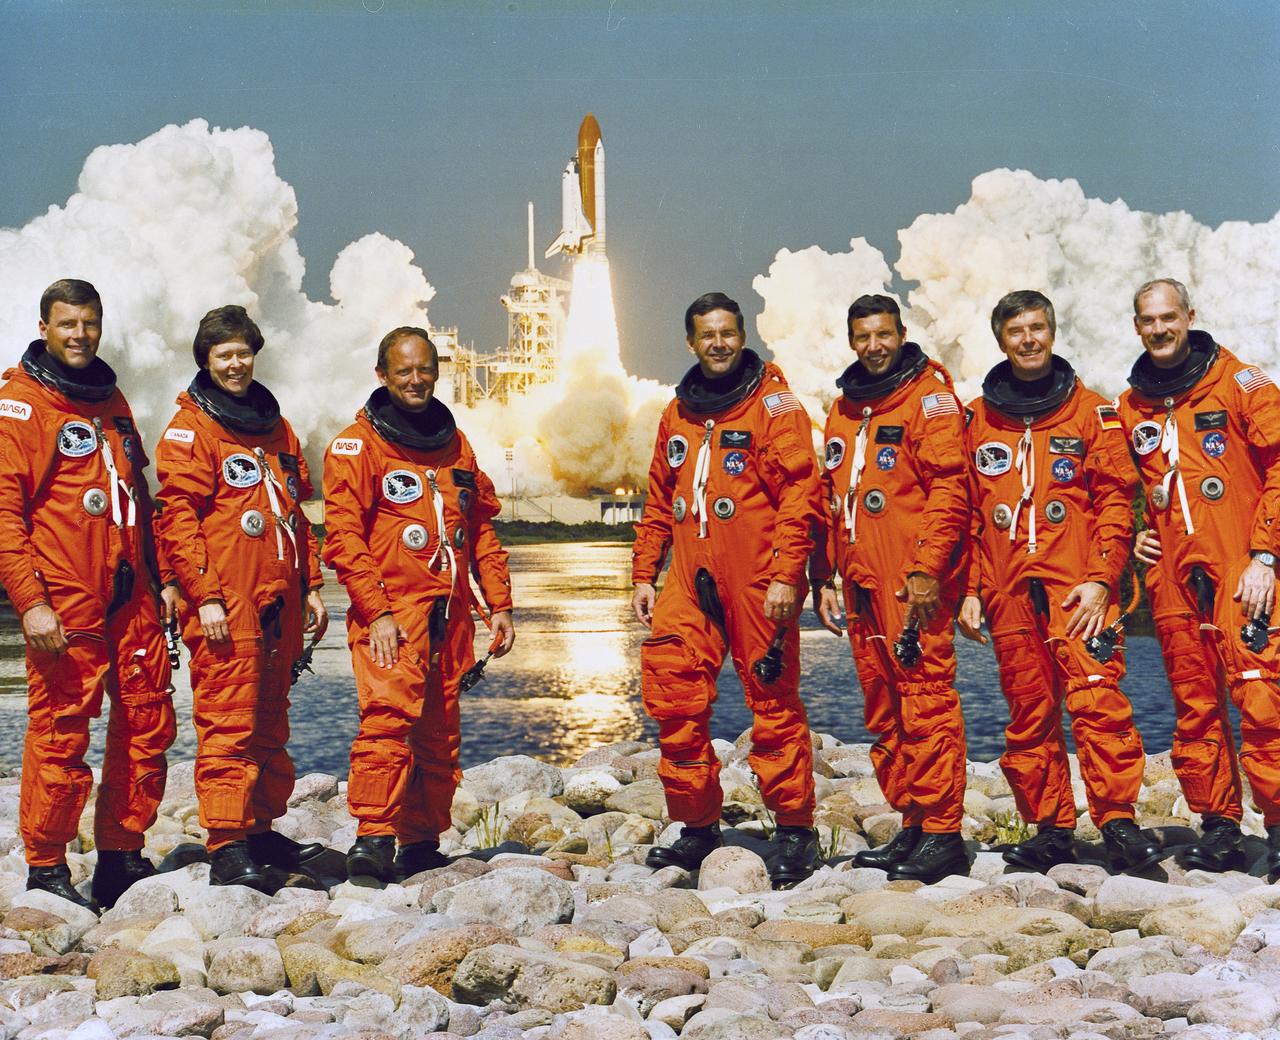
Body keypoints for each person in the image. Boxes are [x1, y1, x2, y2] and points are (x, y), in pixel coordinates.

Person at [958, 290, 1159, 874]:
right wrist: (969, 589)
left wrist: (1102, 579)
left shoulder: (1092, 412)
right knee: (1029, 709)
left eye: (1037, 328)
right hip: (1006, 587)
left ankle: (1117, 823)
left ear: (1052, 331)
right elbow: (967, 514)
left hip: (1078, 587)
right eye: (1016, 331)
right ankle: (1051, 828)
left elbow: (1116, 502)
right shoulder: (977, 419)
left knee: (1098, 700)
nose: (1028, 340)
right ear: (1001, 340)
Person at [632, 291, 823, 889]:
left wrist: (788, 574)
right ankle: (697, 826)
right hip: (689, 575)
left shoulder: (773, 406)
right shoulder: (678, 413)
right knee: (674, 694)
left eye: (728, 333)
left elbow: (800, 494)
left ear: (742, 336)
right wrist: (644, 572)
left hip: (758, 576)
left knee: (772, 700)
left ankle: (795, 829)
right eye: (707, 335)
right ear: (691, 342)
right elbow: (659, 497)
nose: (718, 344)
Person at [0, 279, 176, 910]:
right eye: (68, 324)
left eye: (90, 323)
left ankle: (121, 854)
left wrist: (163, 579)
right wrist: (31, 601)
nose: (80, 335)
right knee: (61, 727)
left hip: (131, 592)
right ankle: (46, 866)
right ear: (44, 328)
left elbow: (138, 498)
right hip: (64, 593)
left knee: (147, 716)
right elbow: (5, 514)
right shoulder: (21, 405)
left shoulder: (110, 398)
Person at [323, 327, 514, 882]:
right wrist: (377, 612)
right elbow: (344, 539)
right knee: (386, 723)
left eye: (424, 369)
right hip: (393, 614)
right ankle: (373, 837)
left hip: (449, 616)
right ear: (381, 375)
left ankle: (421, 840)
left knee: (439, 733)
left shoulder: (455, 445)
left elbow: (479, 529)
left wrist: (499, 603)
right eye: (403, 370)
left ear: (437, 371)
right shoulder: (358, 447)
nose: (415, 380)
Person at [154, 306, 328, 890]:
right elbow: (178, 520)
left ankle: (260, 828)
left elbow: (295, 513)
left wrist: (312, 584)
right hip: (227, 600)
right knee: (228, 721)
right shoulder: (191, 429)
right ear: (206, 360)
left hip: (279, 597)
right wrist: (202, 595)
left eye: (244, 353)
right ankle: (227, 844)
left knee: (270, 722)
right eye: (224, 355)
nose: (236, 364)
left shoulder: (276, 428)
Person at [1121, 278, 1280, 875]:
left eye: (1169, 317)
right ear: (1137, 326)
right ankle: (1219, 826)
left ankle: (1279, 826)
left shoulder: (1241, 384)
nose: (1160, 329)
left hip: (1242, 564)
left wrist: (1266, 556)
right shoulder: (1132, 406)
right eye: (1148, 320)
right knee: (1194, 702)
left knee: (1261, 698)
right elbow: (1119, 488)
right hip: (1172, 573)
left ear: (1189, 316)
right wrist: (1138, 531)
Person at [811, 295, 969, 884]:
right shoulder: (845, 409)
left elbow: (950, 491)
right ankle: (914, 821)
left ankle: (944, 834)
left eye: (883, 335)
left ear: (902, 334)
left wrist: (927, 569)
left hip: (909, 581)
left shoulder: (929, 399)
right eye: (863, 337)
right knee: (885, 707)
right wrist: (823, 574)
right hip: (859, 580)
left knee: (926, 701)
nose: (874, 347)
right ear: (852, 341)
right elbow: (830, 499)